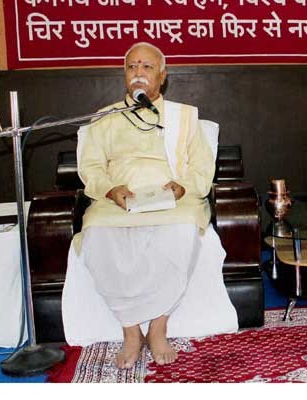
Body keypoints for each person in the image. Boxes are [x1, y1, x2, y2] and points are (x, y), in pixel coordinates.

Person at [73, 42, 236, 368]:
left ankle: (158, 326)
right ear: (124, 74)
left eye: (147, 67)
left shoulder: (184, 117)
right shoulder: (105, 118)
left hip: (174, 199)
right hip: (118, 201)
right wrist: (110, 189)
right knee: (96, 238)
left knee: (181, 234)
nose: (138, 73)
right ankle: (131, 330)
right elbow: (91, 167)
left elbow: (202, 166)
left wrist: (183, 186)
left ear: (163, 76)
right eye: (132, 66)